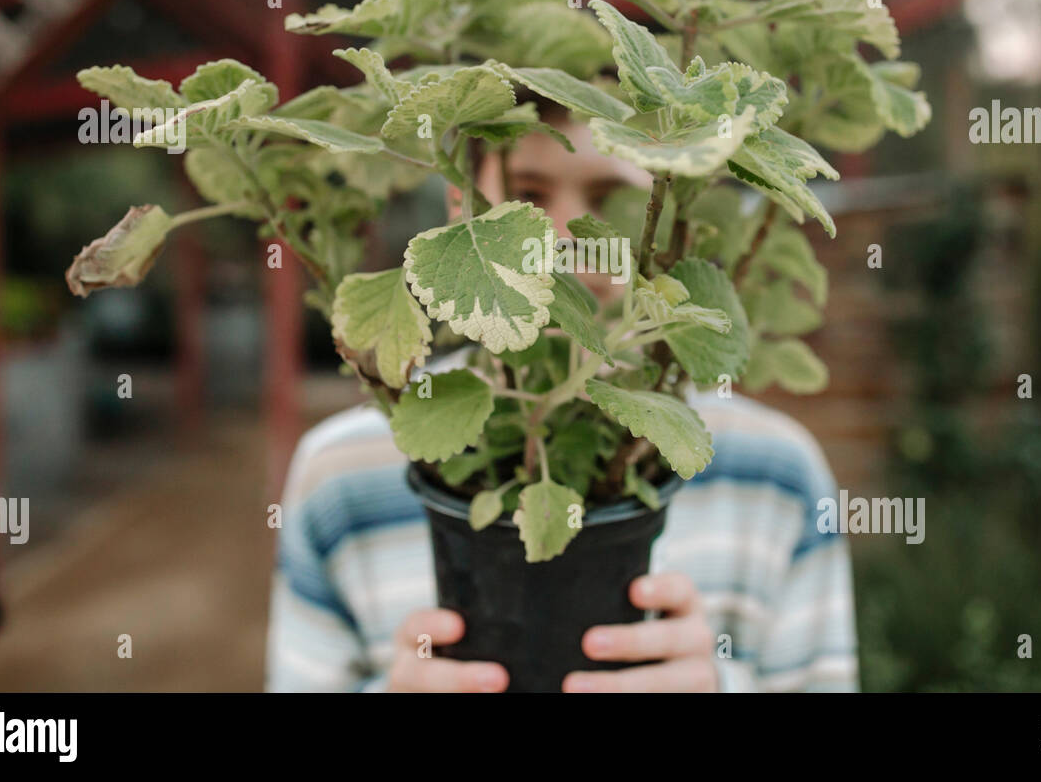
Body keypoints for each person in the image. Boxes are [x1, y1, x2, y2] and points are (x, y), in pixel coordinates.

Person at [265, 103, 858, 692]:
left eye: (608, 200)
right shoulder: (339, 476)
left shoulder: (776, 474)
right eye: (527, 194)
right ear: (460, 210)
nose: (561, 239)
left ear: (663, 224)